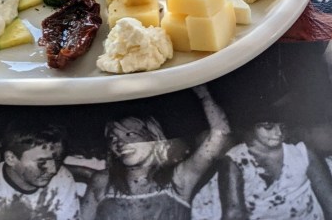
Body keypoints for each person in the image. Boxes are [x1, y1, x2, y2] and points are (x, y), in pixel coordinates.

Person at [81, 85, 229, 220]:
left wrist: (203, 93)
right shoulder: (102, 181)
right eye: (113, 138)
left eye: (130, 134)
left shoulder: (178, 179)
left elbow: (220, 133)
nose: (120, 143)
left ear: (153, 136)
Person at [211, 118, 332, 220]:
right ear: (251, 126)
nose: (278, 132)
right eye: (268, 126)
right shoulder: (235, 160)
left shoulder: (301, 152)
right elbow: (234, 214)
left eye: (282, 126)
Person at [0, 120, 79, 220]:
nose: (53, 169)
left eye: (57, 160)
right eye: (42, 162)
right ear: (11, 158)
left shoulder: (62, 178)